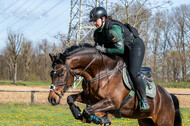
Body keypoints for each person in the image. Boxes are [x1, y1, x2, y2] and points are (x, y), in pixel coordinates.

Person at [89, 7, 150, 111]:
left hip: (134, 47)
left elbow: (120, 50)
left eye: (96, 20)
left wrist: (104, 50)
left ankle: (144, 100)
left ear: (103, 18)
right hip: (122, 49)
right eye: (93, 21)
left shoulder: (113, 29)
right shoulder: (97, 33)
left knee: (133, 71)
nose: (94, 23)